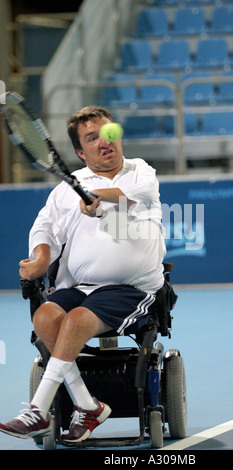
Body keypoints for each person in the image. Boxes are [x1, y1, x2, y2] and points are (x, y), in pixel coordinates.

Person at [0, 106, 166, 443]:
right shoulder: (64, 191)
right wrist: (41, 259)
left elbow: (140, 196)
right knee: (46, 317)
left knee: (74, 321)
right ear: (80, 151)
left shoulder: (140, 171)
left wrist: (96, 198)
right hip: (80, 287)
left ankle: (37, 409)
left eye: (108, 134)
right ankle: (88, 405)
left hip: (131, 288)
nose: (105, 143)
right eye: (93, 138)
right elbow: (44, 229)